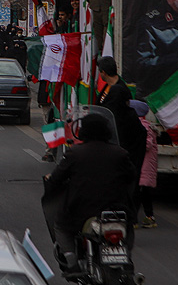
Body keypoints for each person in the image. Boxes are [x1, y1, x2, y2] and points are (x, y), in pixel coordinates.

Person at [43, 112, 136, 274]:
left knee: (60, 225)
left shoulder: (75, 153)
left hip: (81, 212)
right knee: (128, 226)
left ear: (83, 131)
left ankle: (71, 260)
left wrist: (50, 182)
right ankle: (125, 254)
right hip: (116, 210)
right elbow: (132, 177)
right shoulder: (120, 153)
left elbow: (56, 178)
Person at [97, 56, 147, 182]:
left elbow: (114, 114)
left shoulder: (118, 90)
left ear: (103, 72)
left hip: (119, 139)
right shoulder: (109, 87)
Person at [130, 100, 158, 228]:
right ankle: (149, 216)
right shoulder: (143, 124)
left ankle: (134, 219)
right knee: (144, 193)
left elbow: (147, 144)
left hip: (143, 165)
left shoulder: (143, 126)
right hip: (145, 165)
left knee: (137, 192)